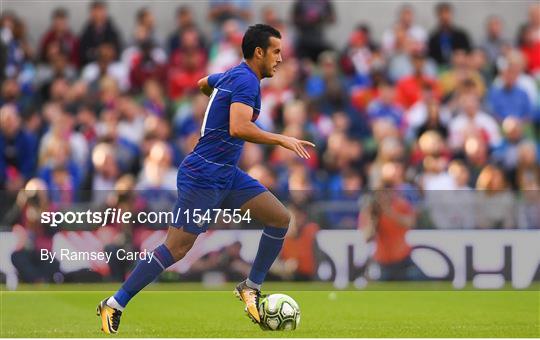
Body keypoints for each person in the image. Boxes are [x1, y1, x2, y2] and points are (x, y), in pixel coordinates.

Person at [96, 24, 315, 334]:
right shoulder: (246, 82)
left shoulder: (233, 75)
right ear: (259, 52)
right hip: (204, 174)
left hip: (225, 173)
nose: (281, 58)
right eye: (276, 51)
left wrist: (214, 107)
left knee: (280, 218)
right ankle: (114, 304)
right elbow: (239, 127)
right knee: (176, 248)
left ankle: (250, 287)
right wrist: (281, 139)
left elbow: (203, 83)